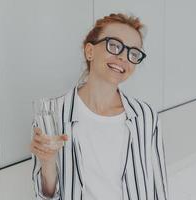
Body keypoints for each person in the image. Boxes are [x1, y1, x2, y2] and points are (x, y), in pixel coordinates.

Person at [30, 12, 169, 200]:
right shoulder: (52, 114)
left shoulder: (145, 116)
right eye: (114, 45)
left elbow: (158, 189)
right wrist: (47, 162)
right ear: (90, 51)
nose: (123, 57)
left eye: (133, 53)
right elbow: (45, 197)